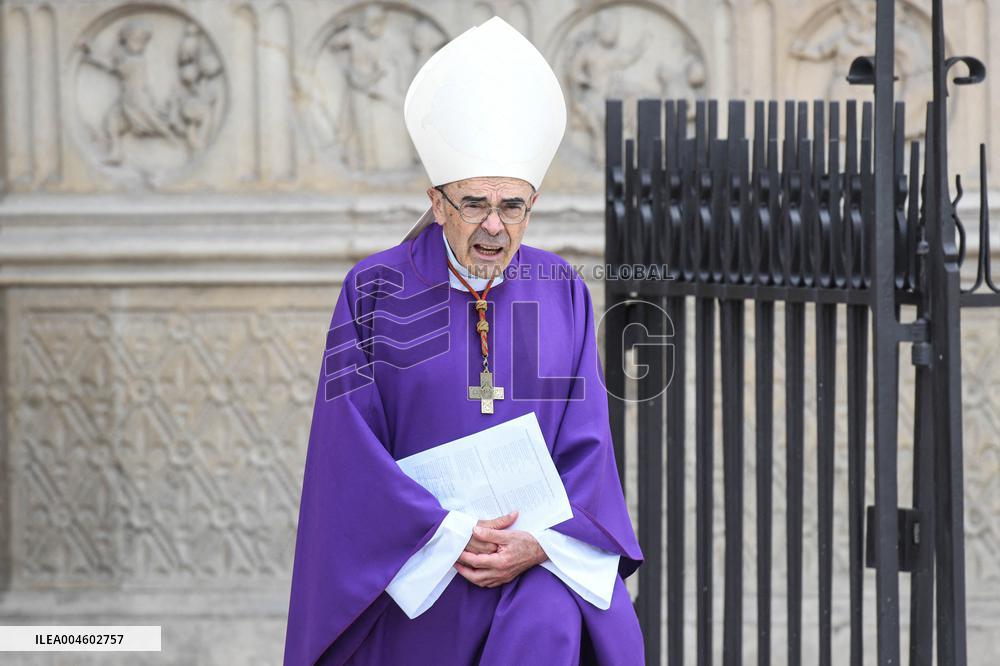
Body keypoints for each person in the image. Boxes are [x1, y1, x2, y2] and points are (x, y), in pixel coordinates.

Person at [283, 16, 644, 665]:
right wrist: (450, 535)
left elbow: (587, 449)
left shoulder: (559, 286)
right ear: (438, 201)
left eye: (514, 206)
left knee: (551, 622)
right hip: (417, 568)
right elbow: (347, 455)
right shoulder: (374, 292)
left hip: (535, 563)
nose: (495, 228)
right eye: (475, 203)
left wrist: (540, 542)